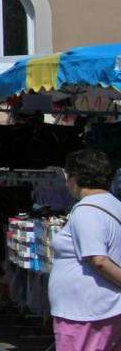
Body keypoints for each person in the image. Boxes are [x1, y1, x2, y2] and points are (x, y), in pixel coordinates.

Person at [49, 149, 121, 349]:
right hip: (103, 308)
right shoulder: (114, 204)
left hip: (85, 311)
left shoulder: (86, 209)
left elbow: (99, 260)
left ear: (75, 177)